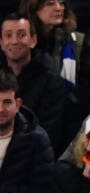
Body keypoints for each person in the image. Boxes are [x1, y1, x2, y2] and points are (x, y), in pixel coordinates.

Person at [0, 13, 67, 154]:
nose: (14, 41)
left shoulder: (51, 80)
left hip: (32, 157)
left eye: (21, 35)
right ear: (1, 43)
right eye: (8, 35)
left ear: (33, 41)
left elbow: (50, 131)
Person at [0, 68, 55, 193]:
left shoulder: (37, 140)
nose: (1, 109)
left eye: (7, 102)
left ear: (17, 104)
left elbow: (42, 191)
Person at [18, 0, 86, 90]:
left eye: (61, 3)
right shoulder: (18, 42)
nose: (59, 8)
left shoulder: (77, 42)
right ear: (33, 9)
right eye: (50, 4)